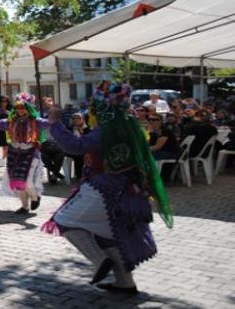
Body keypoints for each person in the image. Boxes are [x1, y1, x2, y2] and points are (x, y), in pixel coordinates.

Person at [42, 81, 172, 295]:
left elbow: (76, 146)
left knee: (64, 220)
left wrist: (55, 121)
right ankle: (125, 283)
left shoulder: (108, 129)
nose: (92, 110)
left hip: (105, 189)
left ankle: (100, 261)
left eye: (94, 105)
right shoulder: (130, 125)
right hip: (129, 190)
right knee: (108, 235)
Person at [0, 92, 48, 214]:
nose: (20, 111)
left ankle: (35, 198)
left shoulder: (36, 121)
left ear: (28, 109)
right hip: (14, 154)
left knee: (27, 181)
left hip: (30, 154)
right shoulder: (10, 121)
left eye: (23, 108)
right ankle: (25, 206)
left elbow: (50, 122)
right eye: (17, 108)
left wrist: (50, 108)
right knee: (16, 182)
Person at [68, 113, 90, 179]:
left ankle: (82, 174)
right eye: (74, 119)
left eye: (78, 118)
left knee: (82, 155)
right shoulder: (69, 128)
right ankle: (79, 175)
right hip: (72, 149)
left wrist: (81, 131)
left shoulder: (86, 128)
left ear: (82, 120)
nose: (76, 120)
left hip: (84, 148)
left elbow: (88, 139)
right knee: (79, 156)